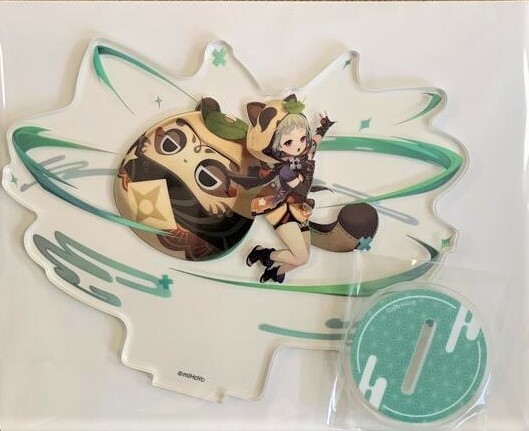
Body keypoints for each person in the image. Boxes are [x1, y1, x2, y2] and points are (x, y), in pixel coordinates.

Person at [245, 95, 335, 283]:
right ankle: (264, 254)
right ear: (275, 144)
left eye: (302, 138)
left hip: (299, 207)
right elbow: (302, 189)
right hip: (280, 209)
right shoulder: (284, 169)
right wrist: (307, 169)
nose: (299, 146)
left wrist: (324, 127)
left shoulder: (304, 154)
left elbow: (314, 142)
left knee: (304, 255)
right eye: (288, 142)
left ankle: (276, 272)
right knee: (301, 257)